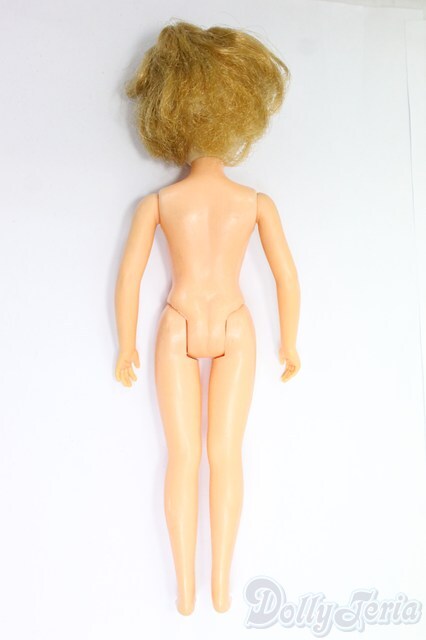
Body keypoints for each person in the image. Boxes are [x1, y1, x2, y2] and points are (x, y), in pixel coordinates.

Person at [114, 20, 301, 615]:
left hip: (179, 323)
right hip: (233, 324)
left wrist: (126, 344)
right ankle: (213, 585)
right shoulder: (253, 203)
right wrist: (289, 342)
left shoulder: (161, 203)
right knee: (222, 455)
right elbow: (286, 277)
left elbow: (130, 278)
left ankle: (195, 588)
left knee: (187, 458)